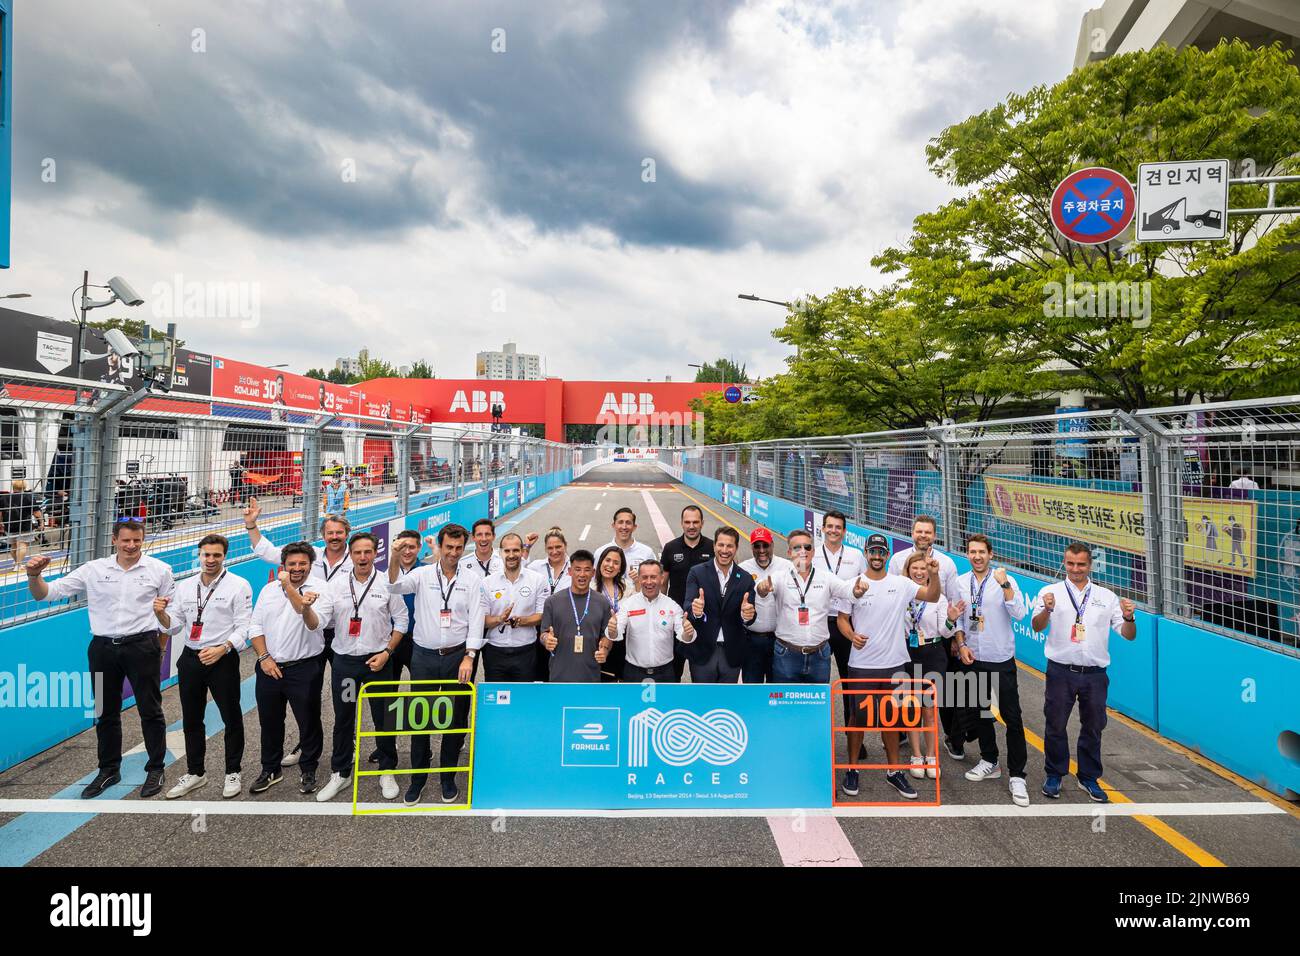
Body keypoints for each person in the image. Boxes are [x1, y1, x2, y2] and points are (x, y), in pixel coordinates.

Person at [26, 520, 175, 799]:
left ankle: (156, 767)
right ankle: (108, 769)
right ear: (114, 539)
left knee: (150, 710)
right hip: (103, 648)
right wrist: (34, 576)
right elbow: (47, 594)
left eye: (137, 541)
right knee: (106, 711)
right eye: (126, 540)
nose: (131, 546)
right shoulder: (94, 569)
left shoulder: (160, 570)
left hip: (142, 646)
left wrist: (161, 648)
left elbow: (170, 615)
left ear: (143, 540)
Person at [246, 499, 352, 765]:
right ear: (323, 535)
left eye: (339, 533)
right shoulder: (309, 557)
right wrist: (251, 524)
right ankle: (305, 745)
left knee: (342, 691)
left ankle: (346, 738)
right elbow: (267, 551)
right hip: (309, 632)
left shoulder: (357, 558)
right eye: (330, 533)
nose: (335, 537)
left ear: (347, 535)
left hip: (340, 632)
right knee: (306, 697)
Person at [836, 534, 941, 800]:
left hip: (894, 663)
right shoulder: (853, 585)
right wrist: (851, 636)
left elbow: (931, 594)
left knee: (891, 719)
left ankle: (894, 771)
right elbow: (842, 619)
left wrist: (933, 574)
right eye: (873, 551)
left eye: (882, 552)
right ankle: (852, 768)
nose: (877, 556)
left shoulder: (901, 583)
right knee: (858, 719)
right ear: (866, 552)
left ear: (887, 554)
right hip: (861, 664)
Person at [1031, 542, 1137, 803]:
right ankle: (1054, 773)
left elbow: (1128, 635)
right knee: (1055, 725)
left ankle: (1088, 777)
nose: (1075, 569)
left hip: (1095, 674)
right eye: (1070, 563)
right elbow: (1036, 626)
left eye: (1081, 564)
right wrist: (1047, 609)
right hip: (1060, 671)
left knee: (1093, 727)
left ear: (1089, 565)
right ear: (1064, 563)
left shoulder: (1106, 596)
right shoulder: (1049, 592)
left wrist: (1129, 618)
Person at [387, 524, 484, 806]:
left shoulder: (472, 579)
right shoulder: (421, 574)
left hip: (458, 657)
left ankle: (447, 777)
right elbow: (393, 585)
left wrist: (470, 655)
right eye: (448, 547)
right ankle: (417, 779)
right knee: (421, 720)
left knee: (454, 722)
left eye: (458, 548)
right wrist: (394, 557)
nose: (453, 553)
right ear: (439, 547)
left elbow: (477, 617)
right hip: (424, 657)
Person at [152, 533, 253, 800]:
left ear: (224, 556)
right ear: (199, 555)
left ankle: (233, 771)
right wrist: (160, 613)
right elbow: (174, 626)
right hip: (191, 658)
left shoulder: (238, 585)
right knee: (192, 719)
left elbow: (244, 627)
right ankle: (196, 772)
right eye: (206, 555)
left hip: (222, 658)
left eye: (216, 555)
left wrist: (223, 648)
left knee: (231, 717)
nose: (210, 560)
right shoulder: (184, 587)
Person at [316, 532, 408, 803]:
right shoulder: (335, 585)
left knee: (384, 718)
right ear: (350, 555)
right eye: (357, 552)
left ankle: (387, 769)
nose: (363, 557)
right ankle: (341, 772)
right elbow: (321, 620)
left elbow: (402, 621)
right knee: (344, 718)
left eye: (368, 552)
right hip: (345, 663)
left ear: (375, 554)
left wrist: (387, 652)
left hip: (378, 662)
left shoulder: (386, 583)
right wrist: (307, 610)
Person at [951, 534, 1030, 806]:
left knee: (1012, 718)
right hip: (973, 658)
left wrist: (1005, 583)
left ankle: (1018, 775)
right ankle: (989, 760)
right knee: (982, 714)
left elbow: (1019, 613)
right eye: (972, 552)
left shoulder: (1005, 581)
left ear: (990, 554)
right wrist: (961, 646)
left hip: (1001, 659)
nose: (976, 556)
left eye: (981, 552)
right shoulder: (962, 583)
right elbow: (959, 620)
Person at [247, 542, 330, 796]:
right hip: (269, 666)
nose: (297, 568)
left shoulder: (321, 589)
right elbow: (255, 627)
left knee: (308, 721)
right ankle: (270, 768)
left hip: (304, 668)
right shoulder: (269, 590)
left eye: (302, 564)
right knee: (270, 721)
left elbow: (315, 624)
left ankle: (309, 768)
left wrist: (293, 592)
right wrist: (264, 657)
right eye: (292, 564)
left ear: (310, 565)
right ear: (283, 565)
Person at [887, 515, 962, 750]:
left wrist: (956, 637)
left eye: (927, 532)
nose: (923, 535)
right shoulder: (899, 559)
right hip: (905, 645)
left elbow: (952, 602)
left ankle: (947, 739)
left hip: (934, 640)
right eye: (919, 531)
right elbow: (891, 596)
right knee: (906, 698)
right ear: (912, 533)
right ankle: (907, 738)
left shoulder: (947, 564)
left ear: (934, 535)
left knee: (934, 700)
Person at [756, 529, 866, 683]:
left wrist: (856, 591)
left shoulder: (826, 577)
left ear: (813, 552)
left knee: (818, 706)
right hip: (786, 655)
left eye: (807, 547)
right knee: (786, 706)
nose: (803, 551)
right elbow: (761, 589)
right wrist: (762, 589)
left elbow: (847, 590)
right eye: (797, 548)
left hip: (819, 656)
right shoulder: (779, 577)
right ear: (789, 552)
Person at [898, 552, 962, 785]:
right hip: (907, 654)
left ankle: (931, 756)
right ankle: (916, 756)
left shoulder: (940, 598)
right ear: (907, 571)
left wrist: (951, 620)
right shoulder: (902, 594)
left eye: (923, 569)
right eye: (914, 568)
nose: (918, 572)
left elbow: (945, 633)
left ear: (929, 572)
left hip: (933, 655)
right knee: (911, 708)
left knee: (929, 709)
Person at [682, 526, 757, 683]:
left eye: (730, 546)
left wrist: (747, 615)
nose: (725, 550)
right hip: (702, 650)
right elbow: (688, 605)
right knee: (702, 702)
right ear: (714, 546)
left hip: (732, 653)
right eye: (721, 545)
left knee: (726, 702)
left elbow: (750, 614)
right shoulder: (697, 572)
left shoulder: (745, 578)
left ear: (736, 548)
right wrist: (696, 611)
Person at [814, 512, 865, 722]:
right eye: (830, 526)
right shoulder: (813, 554)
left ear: (844, 531)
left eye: (838, 527)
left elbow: (864, 587)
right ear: (823, 529)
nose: (834, 530)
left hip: (845, 623)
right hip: (820, 622)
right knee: (818, 680)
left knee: (849, 681)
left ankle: (852, 732)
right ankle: (820, 732)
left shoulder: (856, 556)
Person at [479, 533, 547, 681]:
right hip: (494, 651)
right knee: (497, 701)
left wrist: (522, 621)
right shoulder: (487, 582)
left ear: (522, 551)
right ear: (500, 553)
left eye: (515, 550)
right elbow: (482, 620)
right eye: (507, 551)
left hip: (526, 651)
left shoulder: (538, 580)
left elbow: (542, 616)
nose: (511, 555)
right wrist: (499, 619)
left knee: (524, 701)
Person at [613, 560, 694, 683]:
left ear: (662, 579)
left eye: (653, 577)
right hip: (633, 673)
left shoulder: (672, 606)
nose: (649, 582)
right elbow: (616, 632)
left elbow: (684, 635)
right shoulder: (628, 604)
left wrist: (688, 632)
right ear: (639, 579)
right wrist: (612, 629)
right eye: (644, 577)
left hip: (665, 673)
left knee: (667, 703)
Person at [539, 549, 613, 683]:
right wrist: (547, 640)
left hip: (591, 675)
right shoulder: (552, 601)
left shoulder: (602, 602)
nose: (582, 574)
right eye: (577, 569)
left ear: (593, 572)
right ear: (570, 571)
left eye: (587, 570)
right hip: (559, 674)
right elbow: (543, 633)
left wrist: (605, 650)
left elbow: (607, 636)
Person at [659, 505, 714, 679]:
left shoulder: (712, 547)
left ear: (702, 523)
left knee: (702, 673)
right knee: (674, 671)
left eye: (695, 522)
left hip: (703, 621)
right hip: (676, 619)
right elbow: (663, 583)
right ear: (681, 524)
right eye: (687, 522)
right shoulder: (670, 548)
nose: (691, 526)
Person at [739, 527, 791, 683]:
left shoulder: (787, 567)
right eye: (757, 546)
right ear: (751, 547)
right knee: (752, 690)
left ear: (772, 545)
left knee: (776, 691)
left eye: (765, 545)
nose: (761, 550)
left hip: (780, 640)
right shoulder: (742, 569)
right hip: (751, 641)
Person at [527, 528, 571, 680]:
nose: (554, 551)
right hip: (541, 625)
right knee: (541, 671)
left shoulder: (574, 567)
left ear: (565, 545)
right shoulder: (536, 566)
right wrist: (527, 547)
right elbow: (518, 570)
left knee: (563, 670)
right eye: (550, 548)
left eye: (558, 547)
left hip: (566, 626)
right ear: (545, 548)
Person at [595, 508, 657, 588]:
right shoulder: (600, 552)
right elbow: (595, 580)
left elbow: (656, 581)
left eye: (628, 523)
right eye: (620, 522)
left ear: (634, 527)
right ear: (613, 525)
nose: (624, 527)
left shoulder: (647, 553)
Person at [592, 546, 628, 681]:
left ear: (620, 568)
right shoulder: (590, 587)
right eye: (607, 560)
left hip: (623, 644)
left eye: (616, 563)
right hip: (598, 644)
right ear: (601, 562)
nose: (610, 565)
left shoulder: (628, 587)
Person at [3, 479, 43, 563]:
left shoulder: (5, 497)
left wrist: (1, 523)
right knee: (22, 545)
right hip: (24, 525)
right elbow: (36, 513)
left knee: (13, 546)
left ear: (13, 487)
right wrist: (41, 522)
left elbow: (0, 513)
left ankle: (16, 562)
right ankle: (18, 564)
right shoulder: (28, 497)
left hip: (10, 525)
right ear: (24, 487)